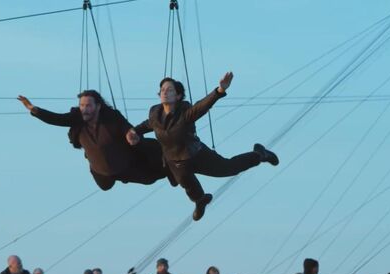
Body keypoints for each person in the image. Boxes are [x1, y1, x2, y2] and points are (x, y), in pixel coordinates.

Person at [127, 72, 279, 221]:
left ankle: (260, 154)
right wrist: (135, 131)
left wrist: (220, 90)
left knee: (229, 168)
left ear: (178, 96)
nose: (165, 92)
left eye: (170, 89)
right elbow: (149, 125)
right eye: (162, 90)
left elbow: (201, 106)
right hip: (175, 161)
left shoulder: (186, 112)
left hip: (197, 155)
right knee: (187, 184)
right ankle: (201, 200)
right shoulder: (155, 114)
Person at [18, 91, 176, 191]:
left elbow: (125, 126)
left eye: (88, 106)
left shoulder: (111, 117)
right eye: (81, 105)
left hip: (124, 166)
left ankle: (171, 169)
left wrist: (130, 134)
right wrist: (33, 108)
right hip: (102, 172)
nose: (84, 109)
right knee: (105, 186)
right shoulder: (76, 119)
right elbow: (56, 119)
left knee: (149, 176)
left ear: (98, 107)